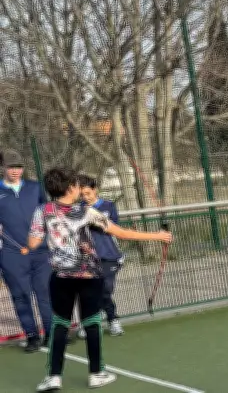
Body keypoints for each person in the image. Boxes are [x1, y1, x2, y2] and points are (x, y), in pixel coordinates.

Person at [27, 167, 173, 391]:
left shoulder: (42, 211)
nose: (79, 189)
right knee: (92, 323)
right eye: (76, 185)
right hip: (88, 276)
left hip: (61, 277)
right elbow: (122, 233)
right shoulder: (87, 212)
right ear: (70, 188)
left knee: (60, 325)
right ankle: (96, 373)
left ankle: (54, 376)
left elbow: (33, 243)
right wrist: (158, 235)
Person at [0, 149, 52, 352]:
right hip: (12, 254)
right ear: (3, 168)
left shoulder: (35, 187)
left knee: (45, 292)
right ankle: (31, 336)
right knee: (20, 295)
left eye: (19, 167)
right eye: (11, 167)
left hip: (40, 251)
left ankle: (51, 332)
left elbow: (47, 213)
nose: (15, 171)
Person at [75, 174, 125, 338]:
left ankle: (112, 319)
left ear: (95, 190)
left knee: (105, 289)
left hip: (108, 256)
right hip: (87, 258)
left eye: (88, 193)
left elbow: (114, 227)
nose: (85, 197)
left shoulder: (108, 206)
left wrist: (96, 219)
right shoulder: (78, 210)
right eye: (82, 194)